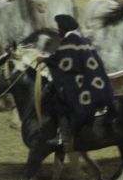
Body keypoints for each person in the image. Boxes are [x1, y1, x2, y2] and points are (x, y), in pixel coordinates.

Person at [44, 15, 115, 151]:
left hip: (84, 83)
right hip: (96, 79)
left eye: (59, 28)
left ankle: (64, 135)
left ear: (64, 28)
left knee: (58, 100)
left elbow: (64, 63)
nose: (58, 31)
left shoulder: (70, 40)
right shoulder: (83, 38)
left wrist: (45, 60)